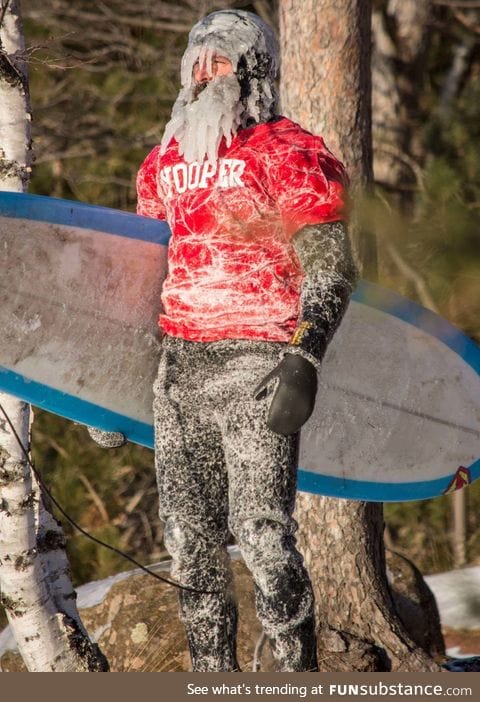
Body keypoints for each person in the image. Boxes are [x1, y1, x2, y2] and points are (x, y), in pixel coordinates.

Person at [92, 9, 357, 672]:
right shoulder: (162, 163)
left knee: (265, 538)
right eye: (196, 60)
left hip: (257, 363)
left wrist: (304, 358)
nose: (203, 72)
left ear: (255, 68)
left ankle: (295, 675)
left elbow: (331, 261)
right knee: (190, 543)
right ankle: (212, 679)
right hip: (178, 372)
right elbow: (139, 273)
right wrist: (105, 385)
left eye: (221, 59)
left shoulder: (289, 151)